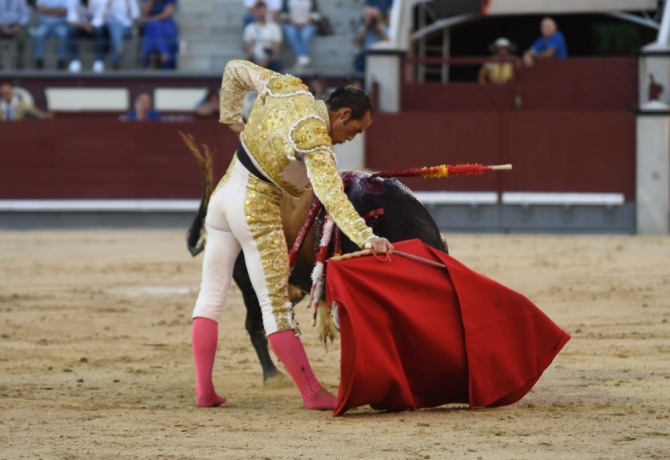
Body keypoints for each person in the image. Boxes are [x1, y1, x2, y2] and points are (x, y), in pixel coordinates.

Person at [191, 59, 394, 409]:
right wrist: (366, 237)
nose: (349, 139)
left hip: (222, 198)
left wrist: (230, 115)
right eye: (355, 130)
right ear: (343, 114)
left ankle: (204, 392)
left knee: (210, 298)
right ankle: (312, 393)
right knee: (276, 307)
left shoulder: (287, 86)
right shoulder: (316, 139)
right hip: (254, 210)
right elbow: (333, 197)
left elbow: (234, 69)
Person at [66, 0, 106, 72]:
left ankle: (99, 61)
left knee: (100, 31)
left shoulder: (100, 1)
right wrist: (84, 26)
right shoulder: (72, 1)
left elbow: (100, 18)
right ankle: (75, 61)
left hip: (94, 28)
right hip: (80, 27)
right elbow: (72, 19)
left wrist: (91, 26)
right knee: (71, 31)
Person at [243, 1, 282, 72]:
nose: (262, 14)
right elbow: (248, 46)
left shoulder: (274, 27)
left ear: (267, 12)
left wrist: (267, 61)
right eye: (259, 11)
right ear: (256, 13)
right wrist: (257, 61)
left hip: (269, 59)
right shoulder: (250, 28)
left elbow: (276, 46)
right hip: (255, 58)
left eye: (263, 11)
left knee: (277, 67)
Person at [280, 0, 319, 69]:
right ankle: (302, 57)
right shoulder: (287, 1)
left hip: (308, 24)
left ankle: (301, 58)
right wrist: (295, 23)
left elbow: (316, 15)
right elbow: (283, 15)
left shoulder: (311, 1)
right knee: (290, 33)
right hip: (292, 24)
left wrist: (303, 23)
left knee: (305, 35)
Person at [141, 0, 178, 69]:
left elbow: (166, 14)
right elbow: (145, 13)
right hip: (151, 27)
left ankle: (152, 63)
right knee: (152, 26)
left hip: (165, 24)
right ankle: (162, 52)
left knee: (152, 26)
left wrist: (152, 19)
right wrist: (151, 1)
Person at [32, 0, 69, 69]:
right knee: (39, 34)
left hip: (60, 24)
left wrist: (48, 10)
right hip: (45, 24)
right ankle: (39, 59)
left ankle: (61, 60)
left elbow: (65, 10)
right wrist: (56, 11)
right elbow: (39, 7)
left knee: (64, 34)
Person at [105, 0, 140, 69]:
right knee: (115, 24)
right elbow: (104, 16)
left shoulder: (131, 1)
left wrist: (129, 5)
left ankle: (117, 55)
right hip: (112, 25)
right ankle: (119, 48)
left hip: (126, 27)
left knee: (115, 30)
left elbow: (136, 15)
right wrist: (109, 4)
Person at [0, 0, 30, 69]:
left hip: (17, 25)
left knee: (22, 35)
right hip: (2, 26)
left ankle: (19, 61)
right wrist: (2, 26)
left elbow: (25, 15)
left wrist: (18, 27)